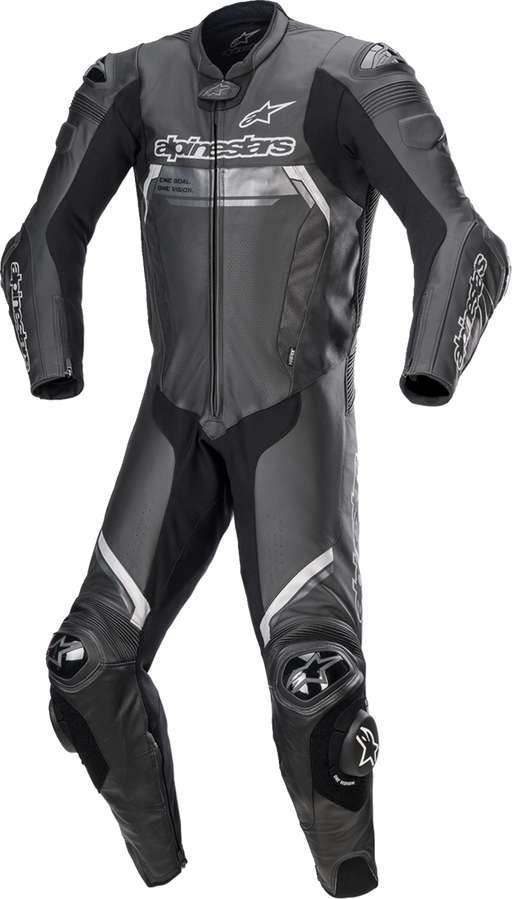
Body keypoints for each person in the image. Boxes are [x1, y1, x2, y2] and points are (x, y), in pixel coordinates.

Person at [2, 2, 509, 896]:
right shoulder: (134, 75)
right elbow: (40, 234)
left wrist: (432, 361)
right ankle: (161, 872)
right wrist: (53, 358)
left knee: (317, 688)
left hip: (293, 421)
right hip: (173, 417)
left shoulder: (349, 71)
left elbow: (465, 239)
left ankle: (347, 881)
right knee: (81, 669)